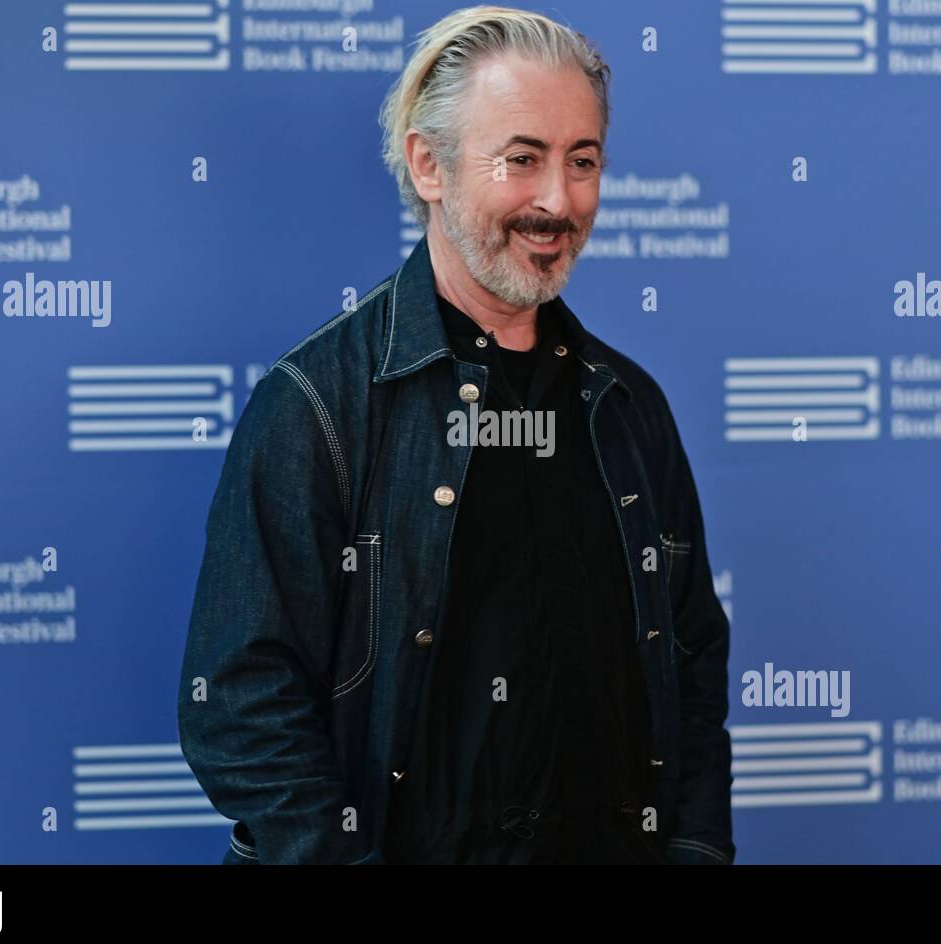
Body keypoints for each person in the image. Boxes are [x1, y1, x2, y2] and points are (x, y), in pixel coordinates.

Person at [177, 5, 734, 865]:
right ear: (428, 165)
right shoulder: (318, 403)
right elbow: (241, 704)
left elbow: (692, 665)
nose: (557, 199)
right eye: (522, 159)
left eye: (582, 162)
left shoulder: (628, 406)